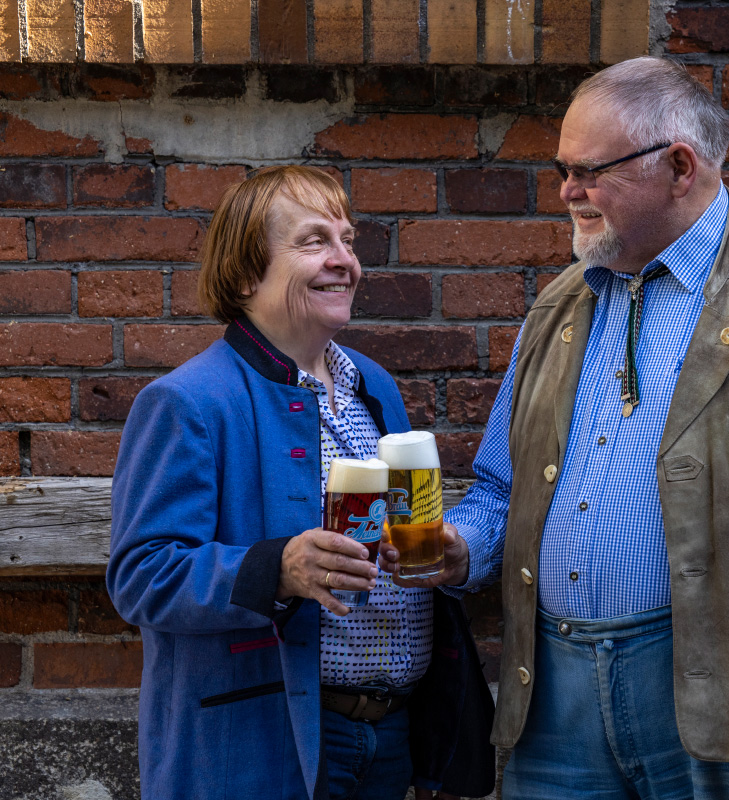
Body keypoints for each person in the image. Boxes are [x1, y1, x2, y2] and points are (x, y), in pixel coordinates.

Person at [399, 57, 729, 800]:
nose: (567, 192)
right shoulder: (558, 307)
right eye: (561, 170)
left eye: (588, 172)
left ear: (679, 167)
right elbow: (502, 490)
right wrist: (461, 546)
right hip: (555, 709)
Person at [106, 166, 494, 800]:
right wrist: (279, 569)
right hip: (271, 740)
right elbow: (141, 576)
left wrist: (431, 552)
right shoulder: (188, 401)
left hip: (393, 734)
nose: (345, 260)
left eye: (348, 240)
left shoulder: (374, 386)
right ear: (244, 273)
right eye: (315, 241)